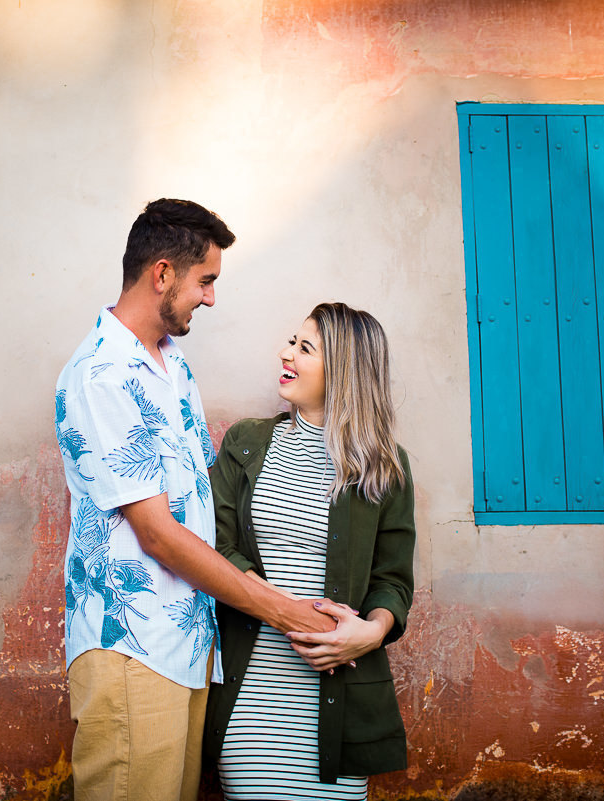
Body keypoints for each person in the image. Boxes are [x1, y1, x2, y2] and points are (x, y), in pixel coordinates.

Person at [54, 199, 334, 801]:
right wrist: (281, 610)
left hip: (184, 645)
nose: (210, 298)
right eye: (204, 281)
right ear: (162, 274)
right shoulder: (101, 375)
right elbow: (155, 534)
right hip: (131, 648)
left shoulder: (170, 363)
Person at [205, 302, 417, 799]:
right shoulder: (247, 442)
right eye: (290, 342)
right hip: (253, 697)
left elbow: (393, 579)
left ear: (342, 368)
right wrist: (281, 609)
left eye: (304, 348)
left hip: (339, 706)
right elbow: (216, 542)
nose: (286, 354)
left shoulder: (385, 467)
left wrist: (370, 633)